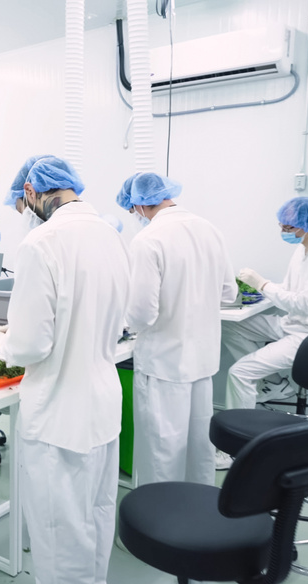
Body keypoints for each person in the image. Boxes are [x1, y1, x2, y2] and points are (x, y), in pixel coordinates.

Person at [0, 156, 131, 584]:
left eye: (22, 200)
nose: (24, 209)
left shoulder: (40, 244)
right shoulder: (111, 235)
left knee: (56, 522)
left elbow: (29, 347)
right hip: (101, 400)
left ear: (32, 191)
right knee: (93, 512)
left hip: (59, 409)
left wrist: (0, 340)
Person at [117, 173, 237, 487]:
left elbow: (142, 313)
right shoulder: (209, 229)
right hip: (202, 360)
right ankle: (197, 514)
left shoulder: (148, 240)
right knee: (199, 446)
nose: (134, 217)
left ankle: (159, 523)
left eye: (132, 211)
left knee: (161, 451)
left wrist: (124, 323)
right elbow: (229, 294)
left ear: (140, 203)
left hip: (164, 364)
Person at [225, 197, 308, 411]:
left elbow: (305, 304)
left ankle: (239, 434)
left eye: (288, 226)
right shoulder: (303, 248)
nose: (283, 230)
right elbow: (292, 289)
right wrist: (259, 289)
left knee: (240, 373)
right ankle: (274, 384)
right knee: (227, 326)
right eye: (281, 225)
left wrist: (263, 285)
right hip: (292, 325)